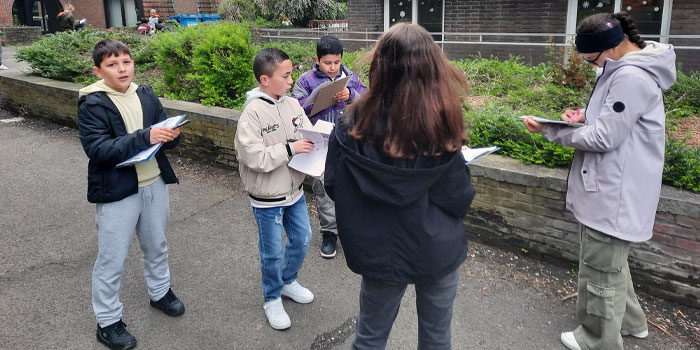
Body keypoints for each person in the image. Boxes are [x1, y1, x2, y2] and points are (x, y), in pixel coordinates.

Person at [522, 12, 676, 350]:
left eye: (592, 59)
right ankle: (632, 323)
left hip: (613, 191)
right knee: (612, 263)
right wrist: (584, 117)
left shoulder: (630, 76)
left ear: (612, 47)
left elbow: (606, 137)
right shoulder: (629, 69)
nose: (591, 65)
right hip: (620, 184)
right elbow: (616, 121)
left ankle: (597, 338)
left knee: (599, 270)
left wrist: (552, 130)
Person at [324, 23, 476, 349]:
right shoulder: (442, 126)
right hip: (436, 251)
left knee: (368, 339)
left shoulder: (349, 123)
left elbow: (334, 185)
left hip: (378, 252)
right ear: (432, 68)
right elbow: (459, 200)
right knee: (436, 340)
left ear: (380, 65)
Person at [78, 39, 186, 350]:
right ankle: (108, 321)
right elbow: (98, 150)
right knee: (112, 258)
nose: (122, 69)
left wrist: (170, 135)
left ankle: (160, 292)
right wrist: (147, 136)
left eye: (126, 61)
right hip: (117, 191)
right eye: (112, 64)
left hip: (153, 183)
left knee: (157, 244)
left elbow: (159, 136)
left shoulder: (145, 93)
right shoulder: (93, 103)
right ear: (99, 70)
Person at [234, 48, 316, 330]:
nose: (292, 80)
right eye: (286, 75)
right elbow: (254, 158)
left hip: (295, 191)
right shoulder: (252, 114)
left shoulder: (292, 104)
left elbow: (307, 134)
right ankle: (271, 298)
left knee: (303, 238)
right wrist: (291, 149)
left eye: (291, 73)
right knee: (271, 253)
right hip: (267, 198)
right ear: (265, 80)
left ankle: (287, 281)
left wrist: (319, 144)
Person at [291, 35, 367, 259]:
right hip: (320, 144)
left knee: (353, 188)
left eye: (336, 62)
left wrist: (351, 95)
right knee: (324, 190)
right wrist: (318, 99)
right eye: (327, 63)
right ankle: (329, 233)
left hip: (349, 143)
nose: (333, 67)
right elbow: (295, 111)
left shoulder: (351, 77)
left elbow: (368, 100)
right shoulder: (305, 81)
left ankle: (351, 232)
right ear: (317, 59)